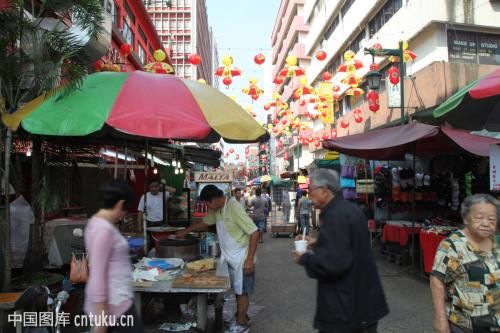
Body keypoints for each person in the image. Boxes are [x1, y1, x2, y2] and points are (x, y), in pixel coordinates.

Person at [293, 169, 388, 333]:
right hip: (362, 304)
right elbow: (348, 247)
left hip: (346, 310)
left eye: (311, 190)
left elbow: (329, 265)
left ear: (324, 191)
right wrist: (319, 243)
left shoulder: (335, 216)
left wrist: (304, 259)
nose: (309, 196)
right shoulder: (349, 209)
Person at [176, 185, 259, 333]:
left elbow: (254, 232)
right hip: (230, 258)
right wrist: (185, 231)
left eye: (207, 203)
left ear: (214, 199)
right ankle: (242, 318)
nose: (207, 207)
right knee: (237, 290)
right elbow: (205, 222)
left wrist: (249, 260)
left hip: (242, 258)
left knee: (242, 292)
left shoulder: (234, 207)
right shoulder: (218, 209)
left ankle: (241, 325)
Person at [430, 194, 500, 333]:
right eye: (479, 218)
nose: (486, 223)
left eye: (491, 219)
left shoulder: (496, 242)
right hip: (464, 326)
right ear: (465, 218)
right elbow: (437, 280)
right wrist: (440, 319)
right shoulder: (452, 245)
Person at [85, 179, 143, 333]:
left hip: (117, 304)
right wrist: (101, 320)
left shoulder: (96, 223)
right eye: (126, 209)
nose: (124, 215)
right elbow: (97, 275)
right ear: (120, 204)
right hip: (115, 306)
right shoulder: (103, 230)